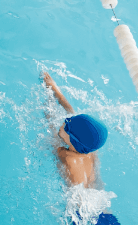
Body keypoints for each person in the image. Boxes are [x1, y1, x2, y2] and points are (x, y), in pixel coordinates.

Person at [42, 72, 119, 225]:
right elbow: (74, 115)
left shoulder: (66, 157)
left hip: (81, 216)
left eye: (66, 125)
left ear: (73, 141)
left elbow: (50, 131)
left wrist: (48, 104)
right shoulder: (92, 150)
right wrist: (56, 91)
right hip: (102, 213)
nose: (63, 123)